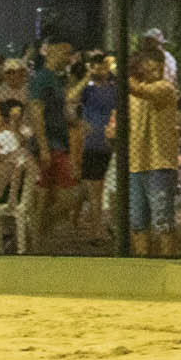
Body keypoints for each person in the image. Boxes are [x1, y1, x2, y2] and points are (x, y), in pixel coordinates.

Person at [123, 46, 181, 257]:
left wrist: (122, 72)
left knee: (163, 222)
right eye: (147, 67)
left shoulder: (165, 88)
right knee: (137, 224)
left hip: (160, 163)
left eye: (156, 68)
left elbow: (141, 91)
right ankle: (142, 262)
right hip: (136, 164)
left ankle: (168, 261)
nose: (151, 72)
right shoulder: (131, 95)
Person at [27, 39, 78, 244]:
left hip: (59, 144)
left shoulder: (55, 79)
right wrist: (43, 147)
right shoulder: (42, 79)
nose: (69, 58)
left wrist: (74, 123)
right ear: (53, 53)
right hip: (49, 145)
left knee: (50, 197)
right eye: (66, 54)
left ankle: (38, 235)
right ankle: (36, 235)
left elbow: (57, 111)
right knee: (62, 196)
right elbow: (36, 112)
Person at [73, 50, 119, 245]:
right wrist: (86, 77)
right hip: (92, 143)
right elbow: (70, 98)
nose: (100, 71)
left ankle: (85, 220)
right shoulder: (88, 89)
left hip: (111, 143)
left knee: (95, 188)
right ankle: (96, 231)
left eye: (103, 67)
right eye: (96, 68)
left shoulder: (114, 88)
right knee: (94, 189)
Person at [0, 96, 40, 252]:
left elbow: (14, 159)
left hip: (9, 189)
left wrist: (14, 126)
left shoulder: (14, 134)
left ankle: (0, 240)